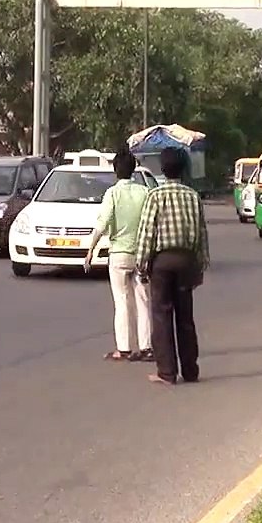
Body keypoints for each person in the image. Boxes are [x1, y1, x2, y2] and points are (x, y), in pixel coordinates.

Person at [134, 147, 209, 385]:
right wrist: (200, 265)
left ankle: (166, 371)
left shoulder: (155, 196)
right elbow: (201, 233)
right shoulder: (192, 196)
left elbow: (147, 233)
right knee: (185, 317)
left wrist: (141, 264)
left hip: (162, 262)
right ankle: (190, 370)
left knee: (161, 315)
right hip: (186, 260)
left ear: (163, 169)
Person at [85, 145, 153, 361]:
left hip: (119, 255)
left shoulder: (112, 193)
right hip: (142, 254)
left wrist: (90, 251)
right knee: (143, 299)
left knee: (122, 301)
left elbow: (102, 224)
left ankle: (123, 348)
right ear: (133, 170)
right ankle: (146, 347)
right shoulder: (145, 192)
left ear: (115, 171)